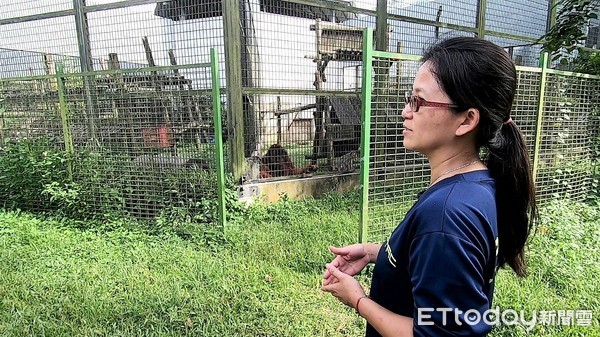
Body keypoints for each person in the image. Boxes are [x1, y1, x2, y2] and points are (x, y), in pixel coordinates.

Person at [321, 37, 537, 337]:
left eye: (418, 102)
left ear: (466, 120)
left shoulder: (447, 213)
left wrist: (358, 299)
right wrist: (376, 253)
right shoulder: (478, 184)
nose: (405, 112)